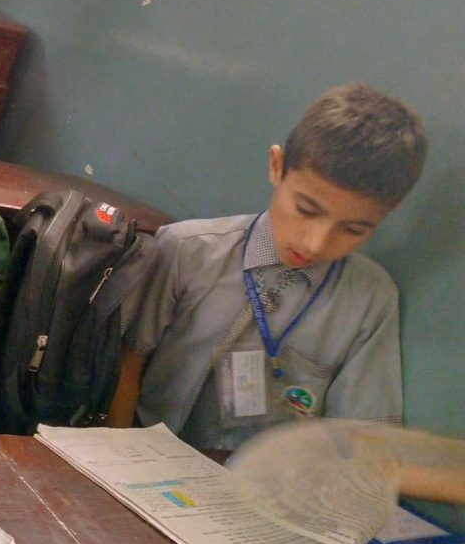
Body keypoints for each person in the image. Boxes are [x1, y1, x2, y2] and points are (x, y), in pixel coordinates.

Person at [108, 82, 428, 450]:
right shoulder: (187, 250)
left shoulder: (371, 298)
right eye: (306, 210)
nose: (316, 244)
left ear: (390, 211)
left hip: (261, 479)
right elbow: (128, 365)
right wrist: (120, 456)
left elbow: (363, 435)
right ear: (277, 167)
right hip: (147, 454)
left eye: (354, 229)